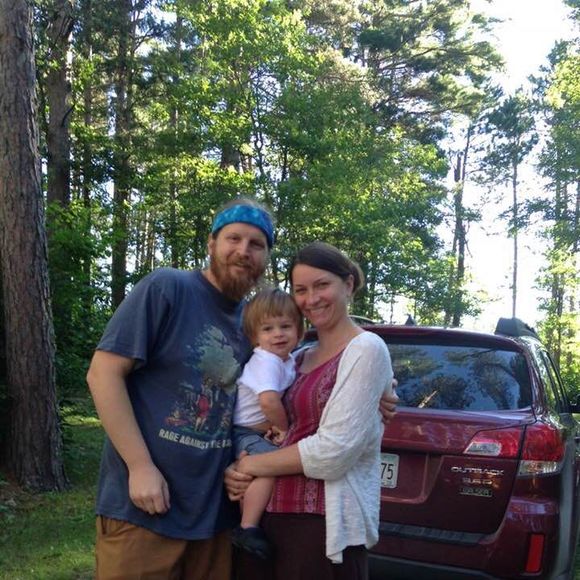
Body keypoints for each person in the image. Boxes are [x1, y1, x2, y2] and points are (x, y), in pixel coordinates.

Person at [86, 197, 275, 580]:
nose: (244, 251)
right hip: (145, 509)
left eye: (256, 244)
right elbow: (103, 374)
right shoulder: (168, 288)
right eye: (234, 238)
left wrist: (378, 388)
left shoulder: (255, 322)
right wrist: (140, 467)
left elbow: (270, 391)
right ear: (212, 244)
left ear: (266, 257)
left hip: (214, 519)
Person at [228, 241, 394, 580]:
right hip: (265, 519)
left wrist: (250, 465)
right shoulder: (298, 356)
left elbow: (333, 452)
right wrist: (235, 469)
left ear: (348, 284)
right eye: (301, 290)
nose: (311, 299)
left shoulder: (366, 348)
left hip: (320, 526)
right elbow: (262, 418)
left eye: (322, 285)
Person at [230, 288, 304, 559]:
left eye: (286, 326)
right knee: (268, 466)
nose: (278, 334)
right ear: (255, 336)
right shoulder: (266, 361)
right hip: (245, 431)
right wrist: (285, 430)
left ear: (299, 330)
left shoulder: (289, 359)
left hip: (259, 431)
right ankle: (247, 527)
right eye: (268, 328)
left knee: (265, 466)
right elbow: (269, 402)